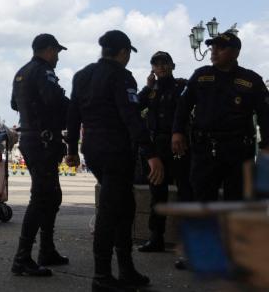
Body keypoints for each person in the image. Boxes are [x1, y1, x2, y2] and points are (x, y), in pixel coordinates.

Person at [66, 30, 164, 291]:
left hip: (93, 150)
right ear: (123, 52)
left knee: (124, 206)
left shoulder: (82, 75)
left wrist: (71, 148)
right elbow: (131, 116)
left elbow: (73, 114)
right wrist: (151, 152)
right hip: (116, 151)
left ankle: (126, 269)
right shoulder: (121, 76)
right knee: (112, 212)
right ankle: (102, 276)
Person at [172, 32, 269, 202]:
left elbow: (266, 114)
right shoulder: (200, 76)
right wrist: (177, 131)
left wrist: (266, 145)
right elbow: (183, 106)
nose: (214, 51)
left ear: (235, 52)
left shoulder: (251, 80)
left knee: (237, 203)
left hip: (238, 152)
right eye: (212, 47)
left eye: (221, 47)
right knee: (202, 201)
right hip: (205, 152)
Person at [10, 34, 70, 277]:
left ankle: (47, 249)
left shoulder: (21, 72)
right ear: (47, 50)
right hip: (43, 140)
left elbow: (14, 104)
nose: (57, 57)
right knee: (42, 197)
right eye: (56, 52)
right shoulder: (44, 71)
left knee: (52, 196)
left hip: (31, 138)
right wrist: (76, 109)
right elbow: (53, 99)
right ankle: (22, 258)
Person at [137, 51, 192, 253]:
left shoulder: (182, 86)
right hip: (157, 148)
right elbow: (135, 106)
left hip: (179, 145)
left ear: (172, 65)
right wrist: (148, 86)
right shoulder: (152, 90)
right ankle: (156, 237)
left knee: (187, 192)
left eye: (164, 63)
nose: (160, 67)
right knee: (157, 194)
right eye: (156, 64)